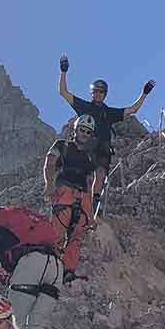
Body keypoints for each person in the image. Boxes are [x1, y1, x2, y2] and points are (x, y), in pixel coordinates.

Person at [57, 55, 154, 213]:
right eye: (96, 91)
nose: (98, 94)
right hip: (87, 145)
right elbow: (63, 92)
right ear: (92, 93)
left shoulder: (108, 112)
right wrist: (63, 71)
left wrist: (144, 94)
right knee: (87, 174)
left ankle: (93, 201)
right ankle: (81, 199)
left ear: (105, 94)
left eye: (101, 92)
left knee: (100, 172)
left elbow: (132, 110)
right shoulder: (85, 107)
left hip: (102, 147)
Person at [44, 115, 99, 277]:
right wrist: (49, 185)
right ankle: (49, 266)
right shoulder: (62, 145)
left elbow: (89, 184)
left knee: (77, 236)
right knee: (57, 233)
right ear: (75, 130)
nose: (84, 134)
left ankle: (68, 270)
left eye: (88, 132)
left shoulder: (90, 157)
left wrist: (90, 214)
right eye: (82, 130)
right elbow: (49, 164)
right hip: (65, 192)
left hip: (82, 196)